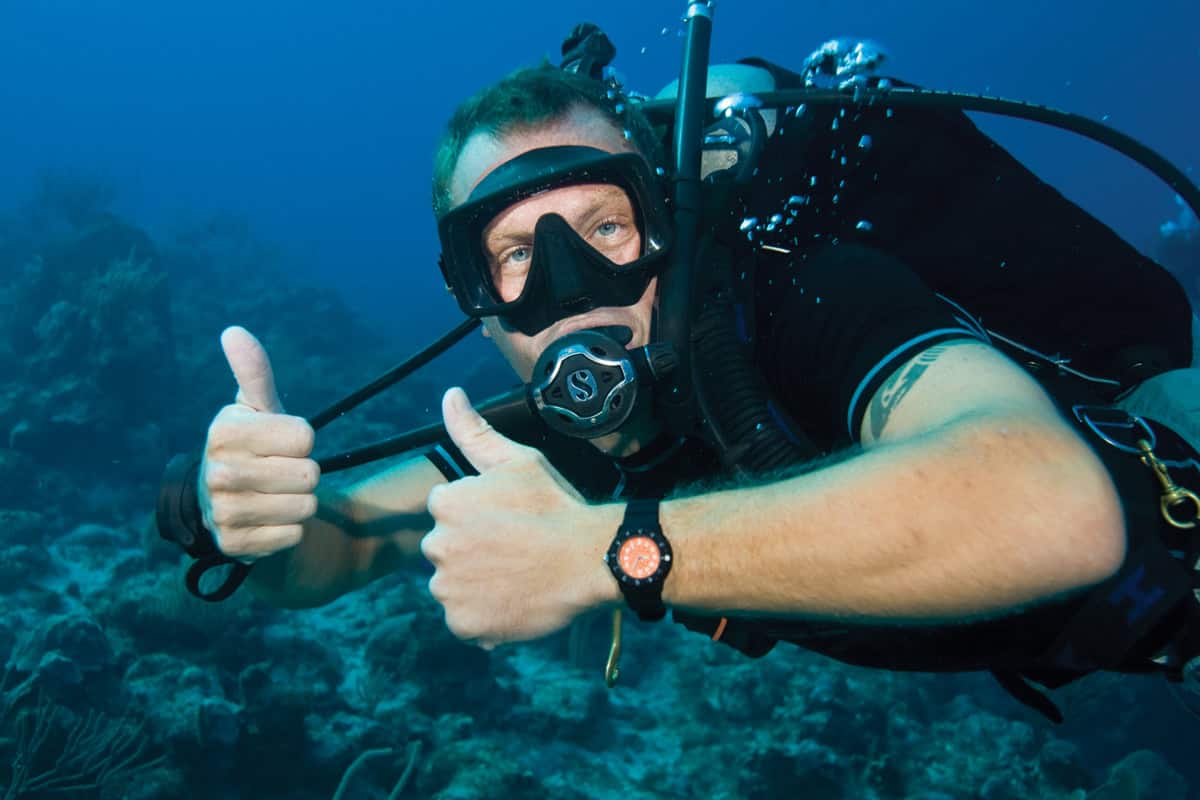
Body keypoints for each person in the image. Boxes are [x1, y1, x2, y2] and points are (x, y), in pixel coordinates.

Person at [176, 53, 1200, 717]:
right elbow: (340, 544)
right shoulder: (532, 450)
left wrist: (610, 550)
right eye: (516, 254)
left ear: (667, 227)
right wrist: (249, 517)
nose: (573, 289)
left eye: (606, 227)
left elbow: (1052, 509)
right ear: (474, 297)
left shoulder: (809, 301)